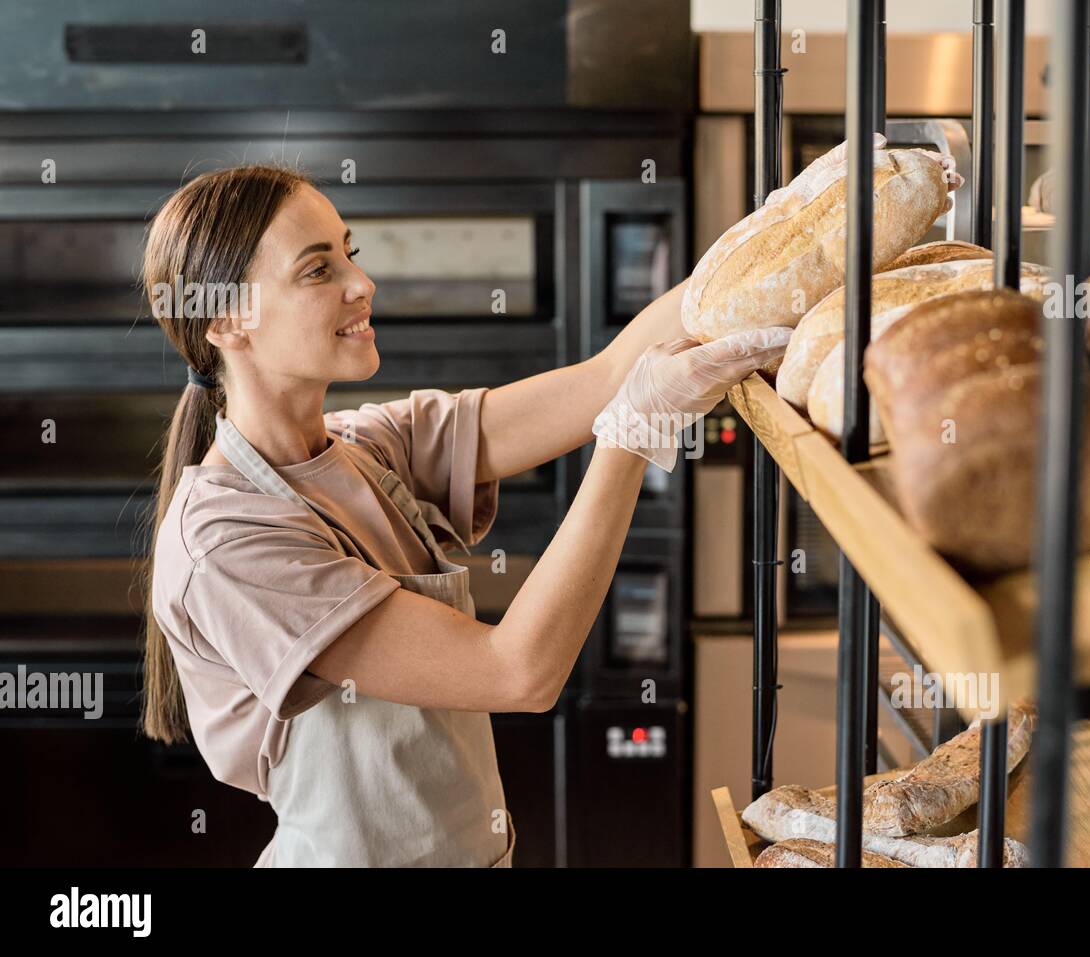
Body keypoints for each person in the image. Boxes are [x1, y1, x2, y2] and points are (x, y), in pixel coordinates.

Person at [138, 163, 790, 866]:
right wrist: (635, 431)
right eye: (318, 269)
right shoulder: (226, 536)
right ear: (227, 319)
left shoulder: (370, 446)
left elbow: (605, 377)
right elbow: (518, 672)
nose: (363, 283)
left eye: (349, 252)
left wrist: (767, 244)